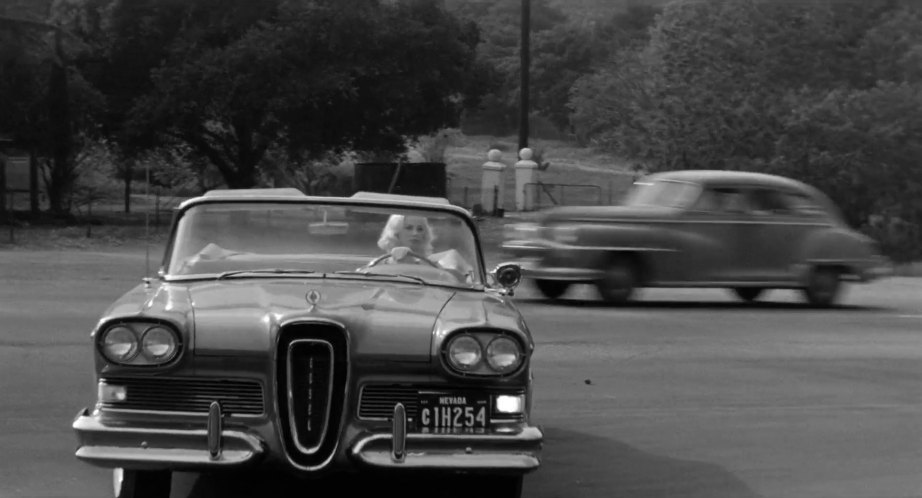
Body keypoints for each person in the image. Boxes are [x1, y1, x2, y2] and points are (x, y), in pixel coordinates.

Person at [373, 214, 474, 282]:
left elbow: (459, 282)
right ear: (396, 232)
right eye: (409, 228)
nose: (415, 233)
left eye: (420, 229)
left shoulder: (432, 265)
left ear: (425, 234)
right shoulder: (379, 263)